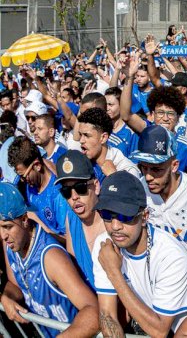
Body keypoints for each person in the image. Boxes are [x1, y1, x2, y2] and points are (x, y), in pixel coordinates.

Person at [93, 171, 187, 336]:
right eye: (106, 215)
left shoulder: (172, 257)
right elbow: (107, 315)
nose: (115, 226)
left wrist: (113, 273)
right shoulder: (104, 245)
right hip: (143, 326)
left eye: (124, 216)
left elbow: (160, 330)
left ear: (145, 216)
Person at [0, 182, 99, 338]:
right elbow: (15, 284)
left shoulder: (51, 257)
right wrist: (6, 297)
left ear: (25, 219)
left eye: (7, 226)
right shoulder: (11, 245)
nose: (3, 236)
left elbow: (94, 311)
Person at [131, 124, 187, 289]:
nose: (148, 176)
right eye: (143, 168)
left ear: (174, 166)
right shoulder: (139, 188)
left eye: (156, 169)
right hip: (157, 285)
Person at [58, 150, 106, 289]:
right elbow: (74, 263)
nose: (74, 197)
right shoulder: (71, 218)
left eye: (80, 188)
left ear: (96, 186)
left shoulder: (113, 222)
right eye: (66, 191)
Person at [7, 136, 69, 237]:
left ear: (37, 166)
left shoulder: (58, 195)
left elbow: (67, 241)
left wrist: (38, 223)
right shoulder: (29, 183)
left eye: (23, 176)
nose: (22, 180)